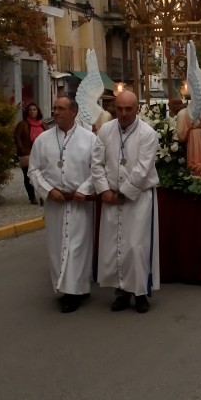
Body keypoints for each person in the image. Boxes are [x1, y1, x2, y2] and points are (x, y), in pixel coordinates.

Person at [92, 89, 159, 313]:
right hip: (111, 197)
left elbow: (143, 169)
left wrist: (123, 193)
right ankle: (121, 291)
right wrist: (104, 190)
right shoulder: (106, 130)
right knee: (114, 245)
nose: (123, 113)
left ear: (136, 109)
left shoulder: (147, 133)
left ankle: (139, 293)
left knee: (135, 246)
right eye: (119, 108)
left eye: (128, 109)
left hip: (137, 199)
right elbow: (97, 163)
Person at [28, 97, 96, 313]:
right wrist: (48, 191)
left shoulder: (90, 139)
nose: (56, 112)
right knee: (58, 246)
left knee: (78, 247)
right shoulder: (43, 140)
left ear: (74, 112)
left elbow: (97, 169)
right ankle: (69, 287)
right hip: (55, 203)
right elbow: (33, 170)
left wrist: (83, 190)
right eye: (54, 108)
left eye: (61, 108)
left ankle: (74, 291)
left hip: (79, 202)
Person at [14, 103, 47, 205]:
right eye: (30, 110)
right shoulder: (22, 124)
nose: (32, 111)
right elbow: (17, 137)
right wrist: (22, 149)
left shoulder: (43, 124)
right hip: (27, 154)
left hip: (41, 153)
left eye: (34, 110)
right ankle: (32, 197)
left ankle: (42, 196)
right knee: (28, 176)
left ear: (38, 111)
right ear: (27, 112)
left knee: (43, 175)